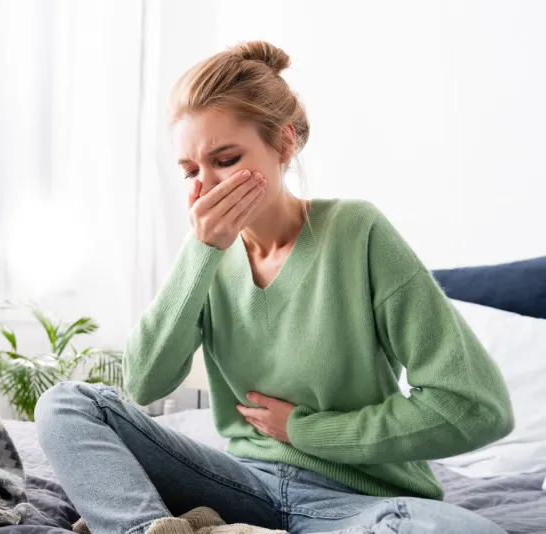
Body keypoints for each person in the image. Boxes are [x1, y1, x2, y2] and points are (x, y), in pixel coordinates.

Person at [35, 40, 513, 534]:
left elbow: (477, 407)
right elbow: (144, 382)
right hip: (244, 487)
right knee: (66, 405)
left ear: (284, 144)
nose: (207, 186)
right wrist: (202, 252)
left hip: (358, 503)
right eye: (190, 171)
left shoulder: (357, 232)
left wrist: (306, 430)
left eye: (225, 158)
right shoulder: (206, 257)